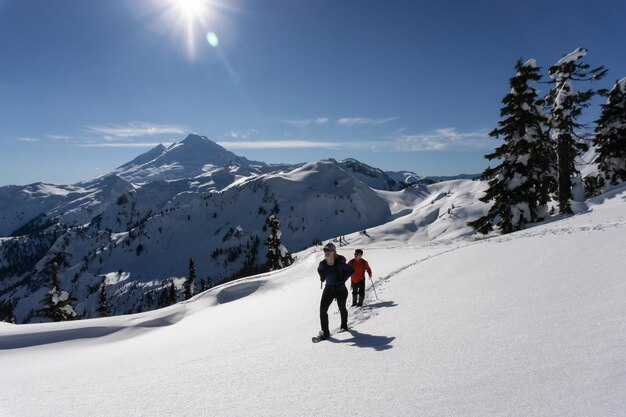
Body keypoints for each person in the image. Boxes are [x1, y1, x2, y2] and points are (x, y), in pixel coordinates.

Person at [317, 242, 355, 340]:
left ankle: (344, 326)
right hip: (328, 289)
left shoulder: (340, 264)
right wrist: (322, 276)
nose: (326, 252)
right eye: (325, 250)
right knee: (322, 310)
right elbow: (320, 270)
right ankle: (325, 332)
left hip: (340, 290)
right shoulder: (323, 264)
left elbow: (351, 271)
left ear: (334, 252)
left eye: (329, 250)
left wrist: (343, 279)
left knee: (342, 308)